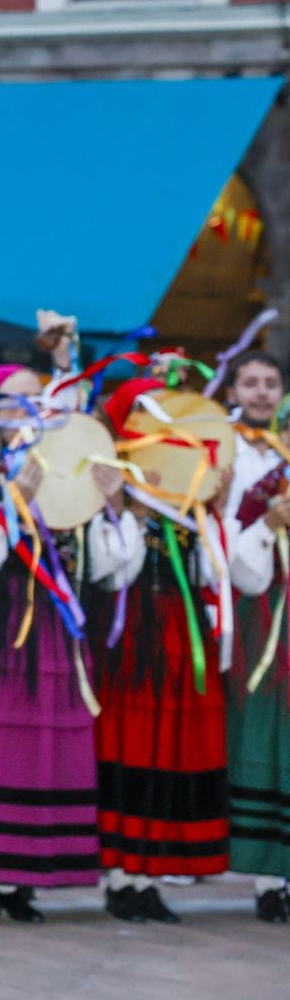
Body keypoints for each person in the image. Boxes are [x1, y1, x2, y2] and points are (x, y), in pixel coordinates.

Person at [0, 364, 137, 923]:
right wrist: (4, 505)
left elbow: (106, 567)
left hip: (56, 625)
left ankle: (23, 877)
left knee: (47, 743)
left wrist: (114, 507)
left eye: (39, 402)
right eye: (17, 402)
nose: (31, 414)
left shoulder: (68, 465)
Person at [87, 376, 231, 923]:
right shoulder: (113, 477)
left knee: (169, 743)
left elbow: (218, 563)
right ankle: (121, 874)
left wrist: (210, 506)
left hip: (181, 624)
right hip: (132, 629)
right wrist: (129, 507)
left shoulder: (191, 478)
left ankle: (149, 872)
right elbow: (109, 570)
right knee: (131, 741)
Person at [222, 350, 290, 921]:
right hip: (264, 610)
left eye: (271, 383)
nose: (262, 392)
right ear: (235, 388)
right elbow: (233, 549)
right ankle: (269, 878)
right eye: (252, 382)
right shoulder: (225, 453)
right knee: (266, 735)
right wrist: (270, 524)